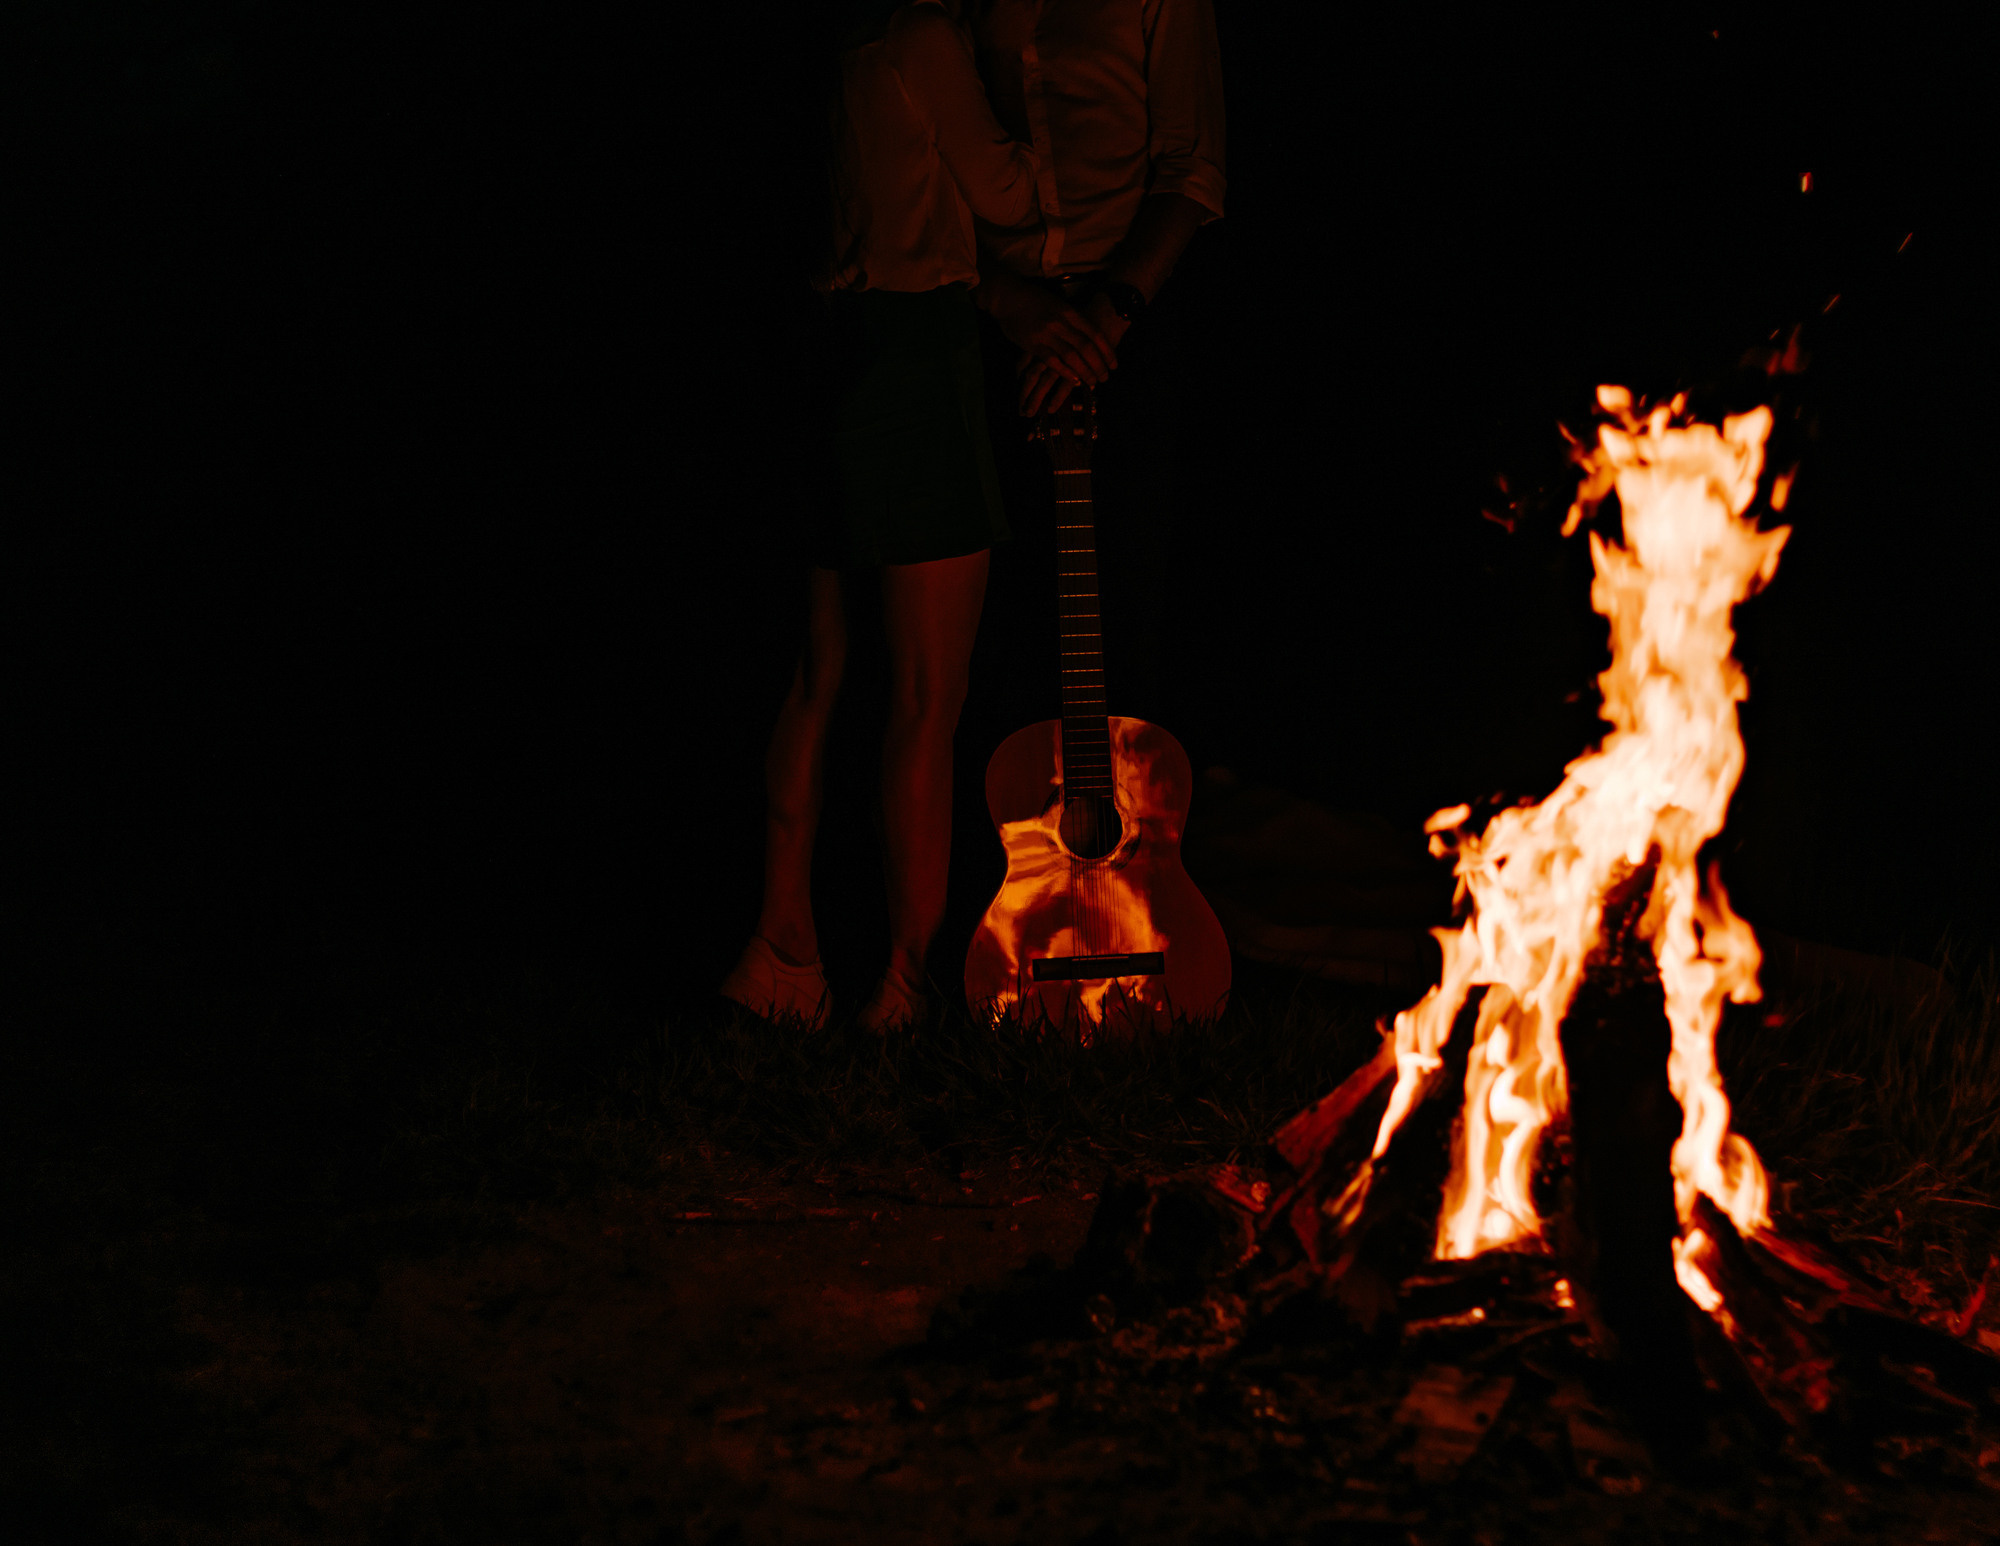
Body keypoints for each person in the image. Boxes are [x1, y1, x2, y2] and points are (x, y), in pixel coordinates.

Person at [721, 0, 1054, 1032]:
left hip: (833, 351)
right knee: (923, 696)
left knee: (819, 673)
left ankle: (781, 949)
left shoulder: (835, 36)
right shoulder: (923, 38)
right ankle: (905, 985)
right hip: (916, 358)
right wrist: (1014, 66)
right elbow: (1012, 196)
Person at [968, 0, 1225, 731]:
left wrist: (1106, 322)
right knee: (1002, 619)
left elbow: (1192, 167)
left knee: (1130, 601)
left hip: (1127, 313)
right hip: (993, 319)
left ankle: (1135, 832)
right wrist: (1008, 302)